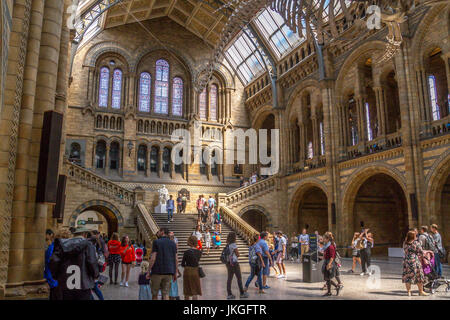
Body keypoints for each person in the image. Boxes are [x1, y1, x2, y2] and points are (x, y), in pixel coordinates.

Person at [49, 226, 99, 300]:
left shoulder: (63, 245)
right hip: (83, 284)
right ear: (85, 234)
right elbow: (91, 262)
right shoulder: (88, 245)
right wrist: (95, 274)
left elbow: (54, 261)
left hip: (65, 283)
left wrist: (56, 276)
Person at [147, 228, 178, 300]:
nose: (158, 233)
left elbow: (153, 258)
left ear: (162, 232)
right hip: (169, 271)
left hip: (157, 271)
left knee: (155, 294)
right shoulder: (173, 243)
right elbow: (176, 259)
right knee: (166, 293)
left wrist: (148, 271)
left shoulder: (156, 242)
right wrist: (175, 272)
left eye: (159, 231)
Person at [402, 230, 429, 296]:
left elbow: (405, 250)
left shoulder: (405, 243)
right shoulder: (416, 243)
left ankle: (409, 292)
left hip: (406, 261)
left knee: (408, 276)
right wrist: (426, 256)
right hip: (414, 260)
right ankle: (421, 291)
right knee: (419, 276)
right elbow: (421, 252)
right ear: (414, 236)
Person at [225, 232, 249, 299]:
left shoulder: (227, 244)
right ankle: (242, 293)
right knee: (239, 278)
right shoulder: (233, 245)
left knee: (229, 279)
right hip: (234, 263)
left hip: (228, 263)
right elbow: (238, 254)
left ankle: (229, 294)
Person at [182, 235, 203, 300]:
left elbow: (183, 264)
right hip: (195, 271)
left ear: (190, 242)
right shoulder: (199, 252)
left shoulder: (186, 252)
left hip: (187, 271)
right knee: (195, 291)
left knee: (187, 291)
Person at [321, 232, 341, 296]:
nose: (323, 240)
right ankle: (331, 290)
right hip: (326, 261)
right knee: (327, 278)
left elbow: (332, 257)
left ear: (327, 239)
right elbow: (326, 254)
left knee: (327, 278)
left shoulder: (330, 246)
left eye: (324, 238)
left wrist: (329, 264)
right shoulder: (326, 246)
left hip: (330, 262)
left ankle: (333, 289)